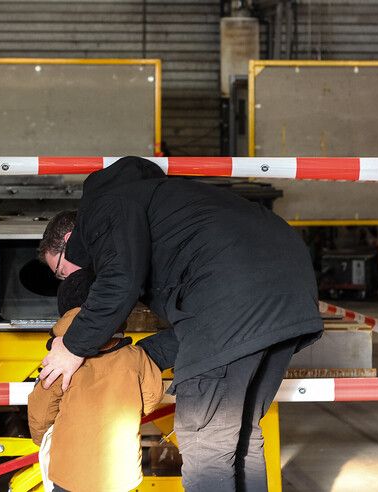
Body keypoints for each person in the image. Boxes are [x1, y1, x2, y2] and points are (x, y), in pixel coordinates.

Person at [37, 156, 323, 492]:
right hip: (288, 292)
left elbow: (119, 282)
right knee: (241, 436)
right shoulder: (159, 208)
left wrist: (71, 348)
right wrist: (138, 358)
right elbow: (193, 329)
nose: (67, 280)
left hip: (235, 298)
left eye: (60, 271)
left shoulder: (103, 207)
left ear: (71, 237)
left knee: (206, 441)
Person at [28, 268, 164, 492]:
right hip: (120, 477)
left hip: (69, 474)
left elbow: (41, 411)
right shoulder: (134, 356)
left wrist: (45, 438)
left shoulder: (60, 361)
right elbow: (152, 396)